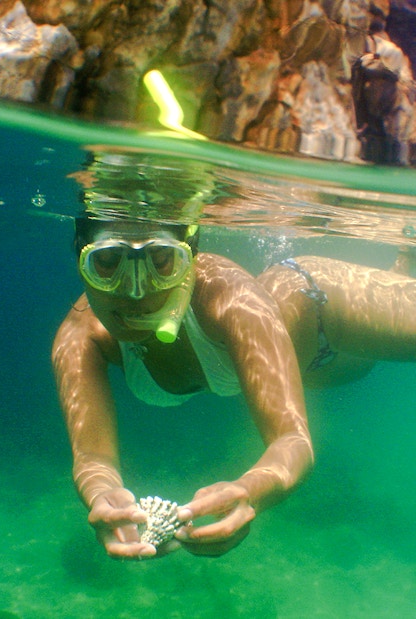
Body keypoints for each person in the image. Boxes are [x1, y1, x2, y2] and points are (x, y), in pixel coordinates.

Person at [52, 211, 416, 560]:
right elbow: (93, 460)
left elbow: (293, 440)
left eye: (162, 259)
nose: (134, 291)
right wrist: (100, 493)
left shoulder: (228, 297)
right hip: (316, 370)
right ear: (79, 258)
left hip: (327, 309)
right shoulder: (80, 337)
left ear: (190, 255)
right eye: (108, 261)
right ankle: (404, 266)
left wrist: (251, 490)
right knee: (361, 363)